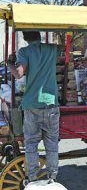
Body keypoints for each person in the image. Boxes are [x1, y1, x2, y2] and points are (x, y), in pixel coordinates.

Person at [8, 31, 62, 185]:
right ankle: (52, 177)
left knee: (31, 143)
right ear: (40, 36)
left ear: (25, 38)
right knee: (51, 144)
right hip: (51, 103)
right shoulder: (51, 48)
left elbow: (18, 74)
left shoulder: (24, 51)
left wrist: (9, 64)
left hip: (32, 105)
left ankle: (32, 177)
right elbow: (63, 48)